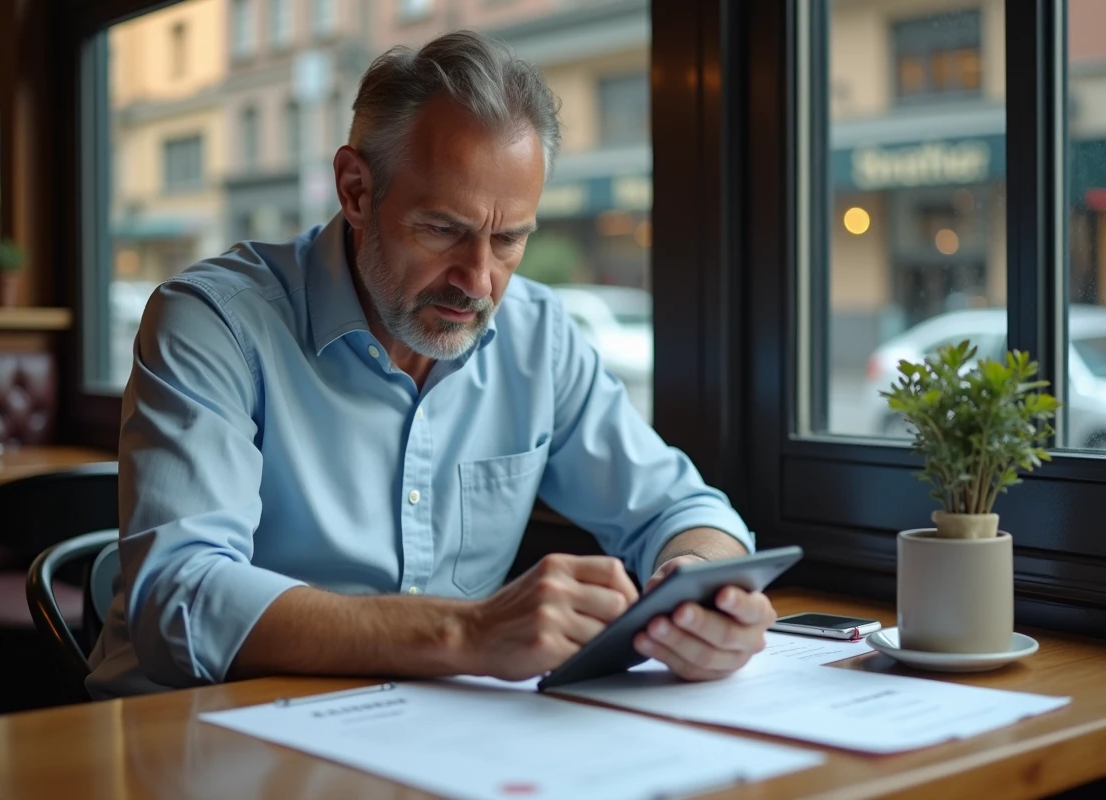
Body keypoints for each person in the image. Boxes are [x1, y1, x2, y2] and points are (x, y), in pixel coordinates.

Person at [86, 30, 775, 699]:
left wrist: (702, 592)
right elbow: (179, 598)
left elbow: (682, 508)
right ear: (356, 190)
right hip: (195, 728)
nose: (478, 282)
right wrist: (466, 631)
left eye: (508, 240)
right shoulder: (214, 321)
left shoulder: (537, 335)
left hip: (427, 733)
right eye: (443, 230)